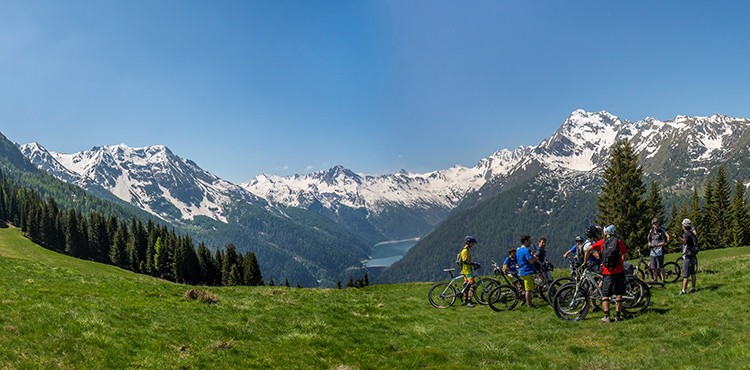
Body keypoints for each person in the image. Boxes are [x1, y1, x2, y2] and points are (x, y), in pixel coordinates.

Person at [584, 224, 629, 323]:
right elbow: (625, 255)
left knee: (605, 295)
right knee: (619, 294)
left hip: (607, 272)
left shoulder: (601, 242)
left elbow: (588, 250)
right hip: (619, 271)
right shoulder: (618, 242)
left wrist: (585, 263)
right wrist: (621, 260)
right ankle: (617, 316)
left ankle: (607, 316)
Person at [516, 235, 539, 307]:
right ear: (525, 241)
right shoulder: (525, 250)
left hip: (521, 270)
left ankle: (528, 302)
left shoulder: (519, 250)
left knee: (527, 288)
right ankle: (529, 304)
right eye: (529, 241)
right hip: (526, 271)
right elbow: (530, 261)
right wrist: (535, 258)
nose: (530, 242)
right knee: (528, 289)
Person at [459, 235, 480, 307]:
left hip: (466, 271)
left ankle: (466, 300)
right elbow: (465, 261)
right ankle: (469, 301)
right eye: (472, 243)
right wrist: (473, 263)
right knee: (473, 285)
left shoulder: (467, 250)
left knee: (467, 286)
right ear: (468, 242)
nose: (473, 244)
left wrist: (473, 263)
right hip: (467, 271)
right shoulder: (465, 251)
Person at [647, 218, 670, 284]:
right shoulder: (651, 231)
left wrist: (657, 245)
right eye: (654, 224)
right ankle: (655, 279)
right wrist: (649, 243)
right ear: (653, 225)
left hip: (659, 251)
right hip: (652, 252)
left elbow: (664, 241)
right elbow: (648, 238)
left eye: (657, 223)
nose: (656, 225)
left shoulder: (661, 231)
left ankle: (663, 280)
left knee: (660, 267)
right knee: (653, 267)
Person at [679, 219, 699, 295]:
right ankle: (693, 288)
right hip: (692, 255)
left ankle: (684, 290)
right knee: (693, 273)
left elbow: (684, 242)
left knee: (685, 275)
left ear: (684, 226)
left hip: (687, 256)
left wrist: (677, 237)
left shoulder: (686, 234)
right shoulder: (692, 233)